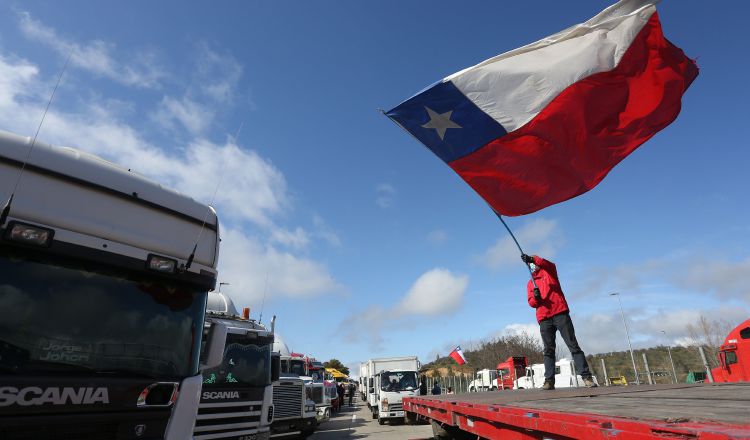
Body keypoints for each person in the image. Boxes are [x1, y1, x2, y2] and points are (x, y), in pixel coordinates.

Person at [522, 254, 597, 391]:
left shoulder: (549, 272)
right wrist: (537, 298)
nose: (533, 267)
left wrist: (532, 258)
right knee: (548, 350)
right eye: (530, 265)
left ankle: (586, 377)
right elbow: (531, 302)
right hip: (544, 318)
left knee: (573, 345)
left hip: (560, 313)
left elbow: (549, 264)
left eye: (533, 264)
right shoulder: (530, 283)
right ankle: (549, 381)